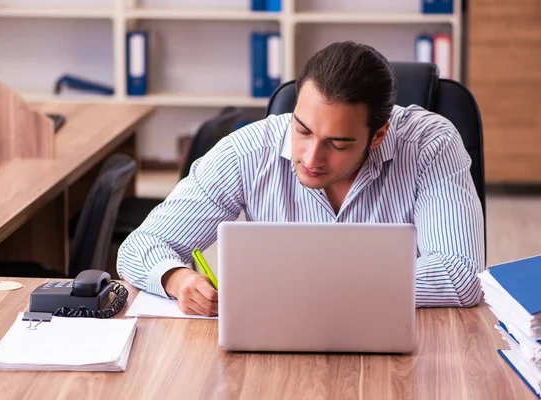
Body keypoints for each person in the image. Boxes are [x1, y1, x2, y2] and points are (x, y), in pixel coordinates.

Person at [117, 41, 485, 317]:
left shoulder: (430, 144)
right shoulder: (250, 150)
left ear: (378, 135)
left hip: (404, 339)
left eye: (338, 143)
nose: (310, 158)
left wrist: (313, 283)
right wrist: (177, 280)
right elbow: (140, 246)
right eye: (302, 129)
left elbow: (460, 273)